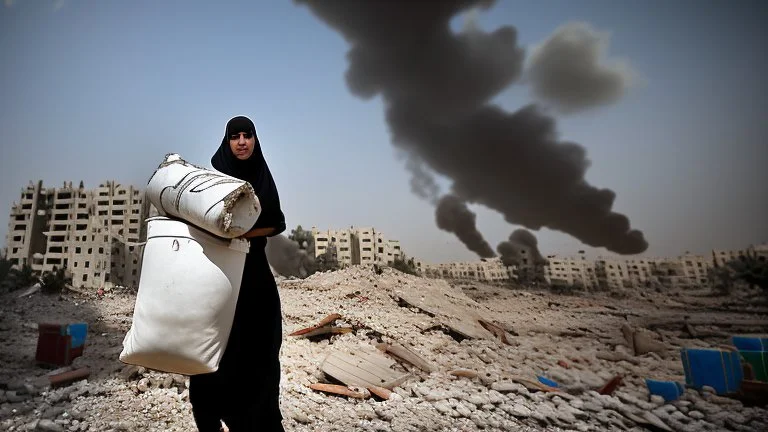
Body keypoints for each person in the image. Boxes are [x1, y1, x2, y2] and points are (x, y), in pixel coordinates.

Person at [188, 115, 287, 431]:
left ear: (255, 140)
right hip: (221, 279)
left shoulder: (262, 176)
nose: (242, 142)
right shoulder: (214, 180)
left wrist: (241, 232)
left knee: (261, 353)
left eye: (248, 135)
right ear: (227, 142)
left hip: (255, 282)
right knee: (215, 351)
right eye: (235, 136)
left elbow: (275, 222)